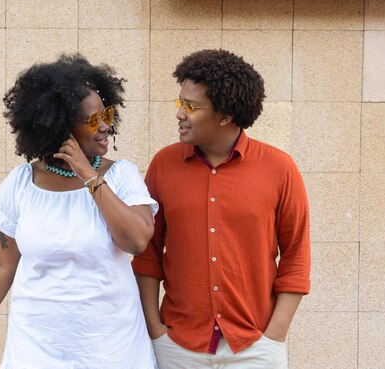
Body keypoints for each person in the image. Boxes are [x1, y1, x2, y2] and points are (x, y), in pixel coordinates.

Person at [0, 54, 159, 369]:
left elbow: (136, 241)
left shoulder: (121, 177)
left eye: (106, 114)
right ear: (60, 128)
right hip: (36, 347)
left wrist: (89, 176)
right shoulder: (21, 184)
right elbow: (1, 263)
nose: (106, 126)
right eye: (93, 121)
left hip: (111, 348)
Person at [132, 49, 310, 369]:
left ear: (225, 115)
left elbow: (296, 256)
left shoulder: (280, 169)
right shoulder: (164, 165)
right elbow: (148, 253)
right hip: (178, 347)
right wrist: (155, 330)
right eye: (180, 102)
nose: (180, 114)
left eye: (191, 106)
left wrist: (275, 336)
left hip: (255, 348)